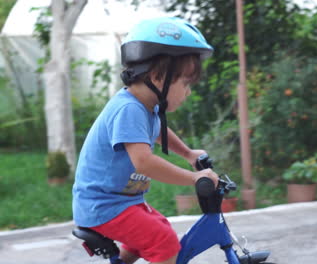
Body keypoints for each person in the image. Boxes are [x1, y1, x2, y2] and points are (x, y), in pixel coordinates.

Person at [72, 17, 218, 264]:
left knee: (158, 227)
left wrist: (188, 153)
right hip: (104, 206)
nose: (188, 92)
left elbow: (158, 130)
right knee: (164, 242)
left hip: (123, 202)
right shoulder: (128, 109)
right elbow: (143, 162)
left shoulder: (145, 108)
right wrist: (194, 178)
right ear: (158, 76)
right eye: (185, 83)